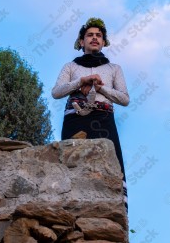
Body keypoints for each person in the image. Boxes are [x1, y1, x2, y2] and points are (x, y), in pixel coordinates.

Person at [52, 17, 130, 211]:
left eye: (99, 35)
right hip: (74, 119)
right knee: (71, 164)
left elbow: (125, 99)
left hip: (103, 120)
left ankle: (110, 213)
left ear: (104, 42)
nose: (94, 38)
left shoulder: (114, 69)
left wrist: (101, 89)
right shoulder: (70, 67)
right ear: (81, 41)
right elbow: (56, 92)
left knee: (109, 166)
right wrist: (81, 81)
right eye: (89, 35)